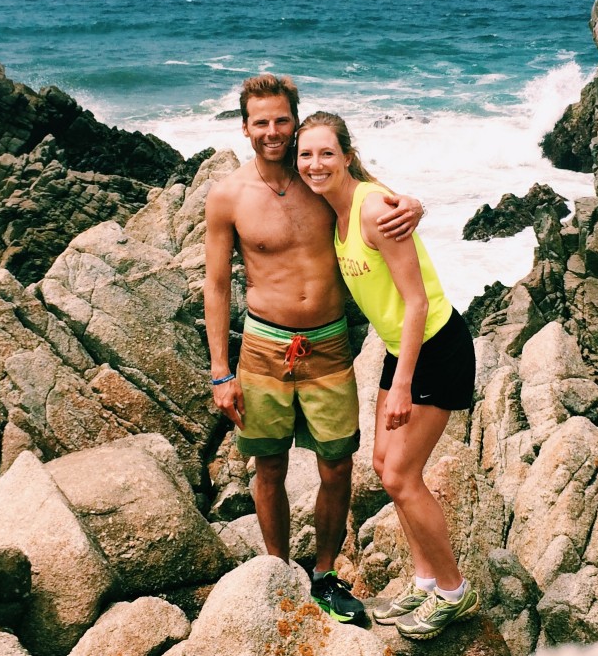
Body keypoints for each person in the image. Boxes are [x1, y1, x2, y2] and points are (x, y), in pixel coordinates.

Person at [204, 74, 424, 624]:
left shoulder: (322, 178)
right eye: (261, 122)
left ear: (296, 121)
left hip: (328, 343)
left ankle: (324, 575)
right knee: (269, 465)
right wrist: (219, 372)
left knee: (336, 465)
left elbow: (380, 199)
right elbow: (215, 285)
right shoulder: (228, 194)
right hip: (261, 347)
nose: (273, 132)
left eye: (283, 120)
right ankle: (279, 570)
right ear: (245, 126)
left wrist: (414, 204)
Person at [295, 110, 479, 641]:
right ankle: (424, 582)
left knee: (401, 475)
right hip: (405, 348)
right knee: (383, 465)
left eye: (326, 153)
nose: (315, 163)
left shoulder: (373, 209)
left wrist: (401, 383)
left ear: (347, 155)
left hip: (436, 347)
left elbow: (417, 301)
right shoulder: (340, 205)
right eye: (307, 154)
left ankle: (452, 591)